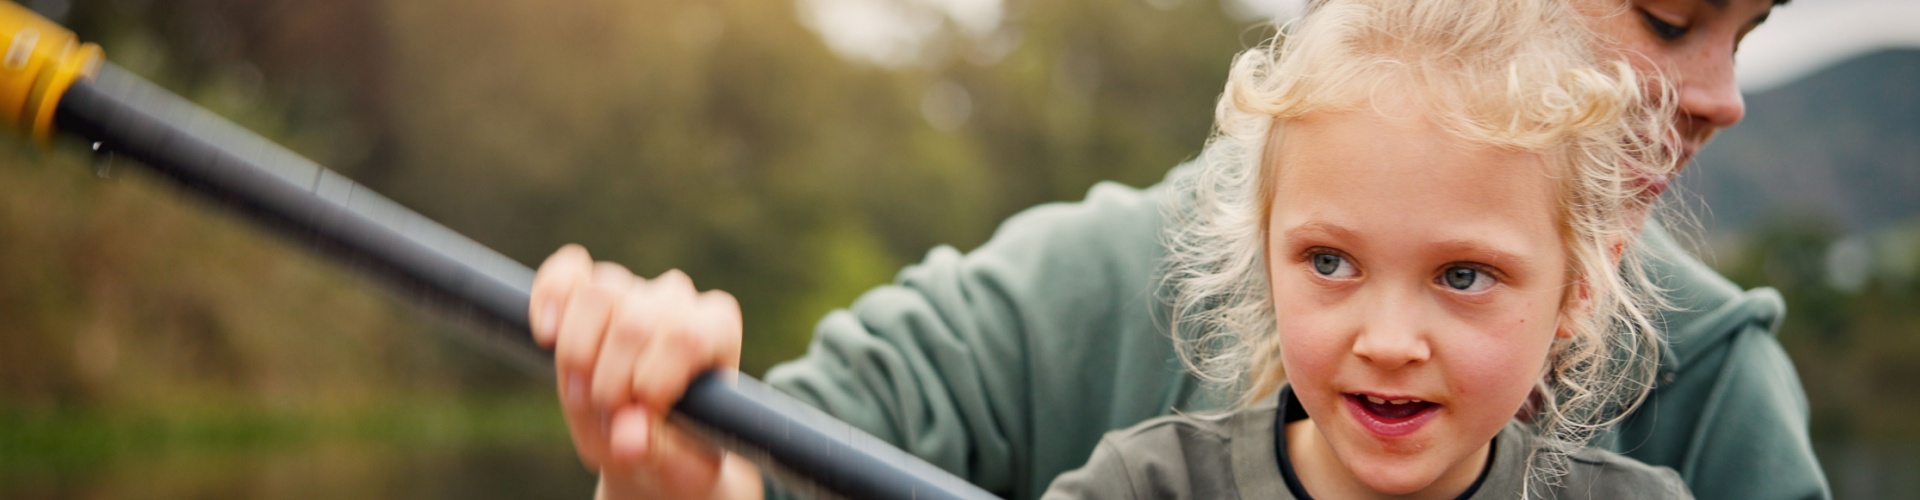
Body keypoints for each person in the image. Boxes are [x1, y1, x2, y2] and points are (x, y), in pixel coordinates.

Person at [527, 0, 1828, 498]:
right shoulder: (1104, 376)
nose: (1719, 94)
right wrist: (679, 468)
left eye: (1746, 29)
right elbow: (769, 461)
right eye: (1668, 16)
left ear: (1581, 302)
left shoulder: (1712, 404)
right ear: (1250, 249)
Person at [1044, 0, 1688, 497]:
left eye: (1463, 276)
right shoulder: (1145, 487)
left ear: (1581, 288)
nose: (1387, 343)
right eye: (1330, 263)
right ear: (1265, 256)